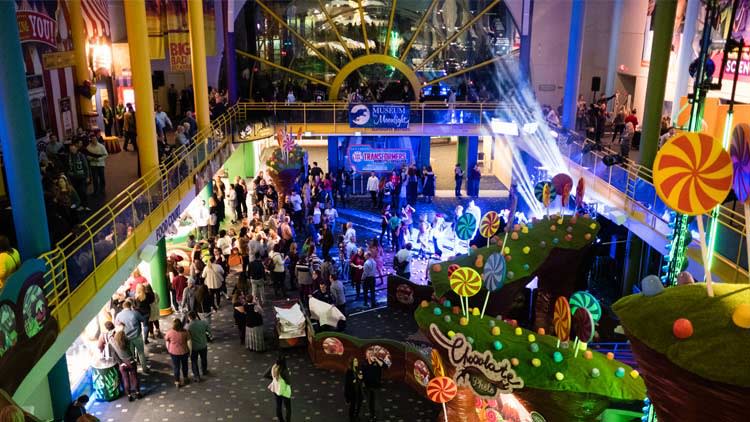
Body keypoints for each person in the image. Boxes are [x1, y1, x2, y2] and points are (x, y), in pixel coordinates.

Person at [108, 326, 142, 401]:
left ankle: (129, 395)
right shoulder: (127, 340)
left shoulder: (112, 342)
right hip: (131, 361)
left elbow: (114, 354)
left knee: (125, 380)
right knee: (134, 377)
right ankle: (137, 393)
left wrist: (120, 363)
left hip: (122, 364)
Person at [115, 300, 148, 373]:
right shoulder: (135, 313)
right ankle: (144, 369)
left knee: (131, 355)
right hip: (137, 336)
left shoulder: (119, 315)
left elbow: (116, 324)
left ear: (123, 307)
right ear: (130, 306)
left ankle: (134, 370)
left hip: (127, 338)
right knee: (141, 353)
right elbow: (143, 320)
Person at [165, 318, 191, 388]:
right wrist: (190, 351)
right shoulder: (185, 332)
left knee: (176, 367)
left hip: (173, 352)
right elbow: (189, 342)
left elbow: (167, 341)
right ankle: (185, 378)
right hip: (184, 351)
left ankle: (177, 381)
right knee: (184, 365)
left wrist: (169, 349)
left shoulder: (170, 332)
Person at [186, 311, 211, 382]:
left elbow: (187, 338)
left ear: (189, 317)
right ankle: (204, 370)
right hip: (203, 344)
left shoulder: (188, 327)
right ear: (196, 316)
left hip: (194, 347)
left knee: (194, 361)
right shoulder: (203, 322)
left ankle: (197, 376)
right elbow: (209, 330)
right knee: (204, 359)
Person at [267, 356, 292, 422]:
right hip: (285, 391)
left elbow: (266, 374)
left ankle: (281, 420)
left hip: (276, 389)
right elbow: (288, 382)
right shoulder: (284, 371)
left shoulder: (274, 367)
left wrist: (275, 380)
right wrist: (289, 374)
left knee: (278, 405)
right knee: (288, 408)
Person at [362, 354, 386, 421]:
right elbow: (362, 373)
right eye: (369, 355)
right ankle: (372, 415)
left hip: (376, 386)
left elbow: (384, 366)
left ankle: (379, 417)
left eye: (372, 355)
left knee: (377, 402)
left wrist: (377, 360)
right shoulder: (364, 363)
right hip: (367, 386)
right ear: (367, 356)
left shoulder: (378, 362)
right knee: (370, 402)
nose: (371, 356)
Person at [344, 357, 364, 422]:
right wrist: (356, 379)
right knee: (352, 405)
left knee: (359, 404)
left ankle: (356, 415)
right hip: (352, 391)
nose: (357, 362)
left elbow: (360, 379)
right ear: (352, 363)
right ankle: (351, 417)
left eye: (357, 361)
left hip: (358, 390)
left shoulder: (358, 369)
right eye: (355, 361)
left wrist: (361, 378)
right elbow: (348, 383)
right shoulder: (349, 371)